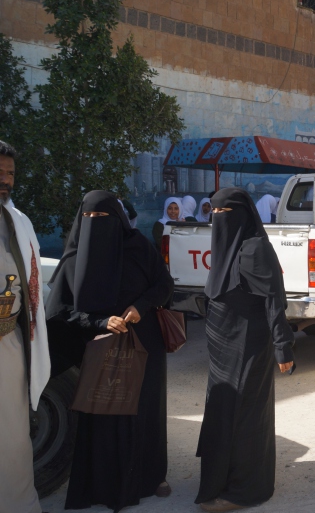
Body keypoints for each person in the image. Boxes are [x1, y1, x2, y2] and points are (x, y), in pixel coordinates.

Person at [45, 191, 174, 511]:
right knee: (103, 416)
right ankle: (102, 486)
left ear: (117, 220)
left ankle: (150, 477)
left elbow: (165, 284)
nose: (95, 225)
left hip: (144, 345)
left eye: (103, 218)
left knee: (145, 411)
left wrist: (140, 306)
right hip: (99, 348)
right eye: (88, 219)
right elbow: (59, 312)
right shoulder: (74, 260)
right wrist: (100, 320)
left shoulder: (139, 248)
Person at [195, 188, 294, 512]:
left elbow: (273, 302)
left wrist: (283, 348)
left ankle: (244, 490)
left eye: (226, 213)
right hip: (223, 350)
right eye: (215, 213)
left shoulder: (255, 249)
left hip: (249, 348)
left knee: (245, 417)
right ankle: (218, 481)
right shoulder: (226, 248)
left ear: (241, 214)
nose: (218, 219)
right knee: (222, 413)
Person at [0, 140, 49, 513]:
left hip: (7, 344)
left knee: (12, 436)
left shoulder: (17, 221)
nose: (5, 180)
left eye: (10, 174)